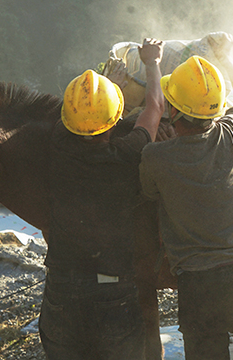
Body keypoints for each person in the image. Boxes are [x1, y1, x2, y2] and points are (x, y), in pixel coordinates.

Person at [139, 53, 233, 360]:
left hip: (197, 285)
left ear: (173, 111)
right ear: (217, 111)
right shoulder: (231, 134)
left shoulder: (155, 158)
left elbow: (149, 194)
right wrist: (228, 58)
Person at [39, 38, 164, 360]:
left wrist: (109, 83)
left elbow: (76, 120)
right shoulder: (128, 153)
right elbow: (154, 108)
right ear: (116, 118)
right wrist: (151, 63)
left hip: (61, 293)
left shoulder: (55, 146)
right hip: (113, 294)